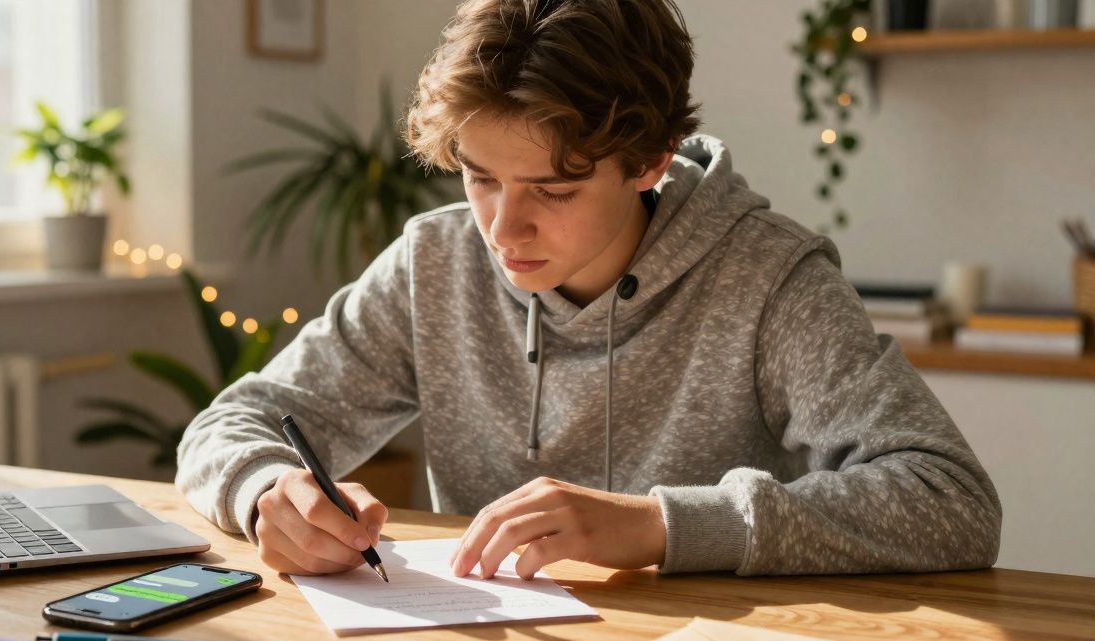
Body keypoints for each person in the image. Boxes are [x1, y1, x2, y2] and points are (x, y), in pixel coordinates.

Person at [176, 0, 1001, 580]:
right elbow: (230, 423)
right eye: (479, 176)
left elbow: (952, 501)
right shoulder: (435, 263)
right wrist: (264, 493)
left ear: (649, 161)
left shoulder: (770, 281)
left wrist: (661, 526)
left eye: (554, 190)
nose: (502, 229)